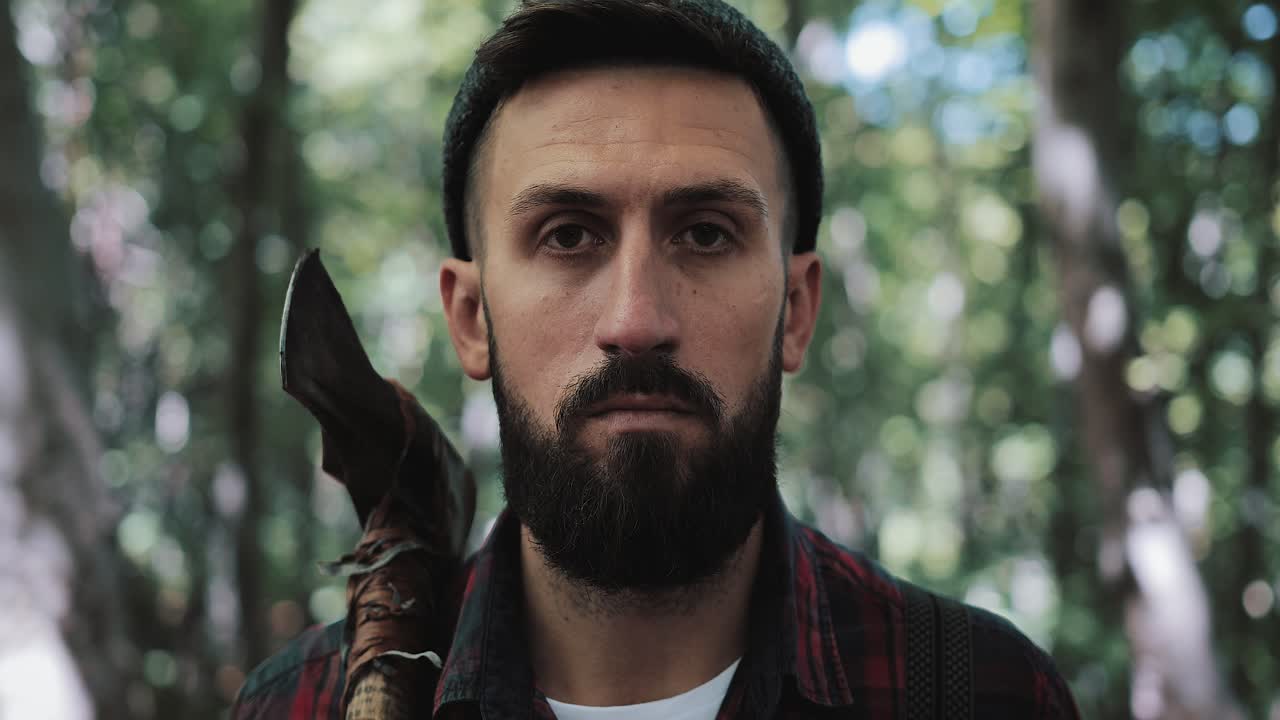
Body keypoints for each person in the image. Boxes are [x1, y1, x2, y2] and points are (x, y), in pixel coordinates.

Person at [233, 1, 1080, 718]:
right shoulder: (295, 704)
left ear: (797, 309)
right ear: (471, 318)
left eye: (707, 234)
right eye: (568, 236)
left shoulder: (983, 692)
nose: (637, 321)